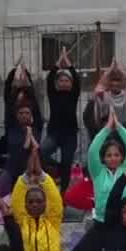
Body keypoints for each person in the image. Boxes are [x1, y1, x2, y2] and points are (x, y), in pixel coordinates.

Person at [86, 108, 126, 225]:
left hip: (125, 221)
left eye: (116, 155)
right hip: (102, 220)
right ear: (103, 158)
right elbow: (92, 151)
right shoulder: (98, 172)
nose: (113, 158)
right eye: (109, 155)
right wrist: (107, 129)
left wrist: (120, 128)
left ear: (122, 157)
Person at [42, 45, 81, 193]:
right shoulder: (54, 94)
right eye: (62, 81)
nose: (64, 82)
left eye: (67, 81)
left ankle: (63, 193)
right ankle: (56, 169)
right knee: (41, 153)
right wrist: (59, 61)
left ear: (70, 84)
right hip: (54, 133)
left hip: (70, 135)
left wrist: (68, 62)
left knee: (67, 163)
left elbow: (76, 80)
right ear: (58, 84)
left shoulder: (73, 95)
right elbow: (50, 78)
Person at [83, 61, 126, 140]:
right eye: (112, 85)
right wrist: (110, 70)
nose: (115, 86)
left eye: (118, 84)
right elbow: (99, 86)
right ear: (109, 85)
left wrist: (120, 71)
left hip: (123, 133)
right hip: (108, 133)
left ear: (121, 84)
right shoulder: (105, 96)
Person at [0, 101, 38, 198]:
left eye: (27, 113)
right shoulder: (12, 131)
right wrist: (29, 134)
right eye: (21, 113)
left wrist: (29, 131)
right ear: (17, 115)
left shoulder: (33, 129)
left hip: (29, 170)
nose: (24, 115)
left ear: (31, 116)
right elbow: (23, 149)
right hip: (12, 170)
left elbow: (36, 147)